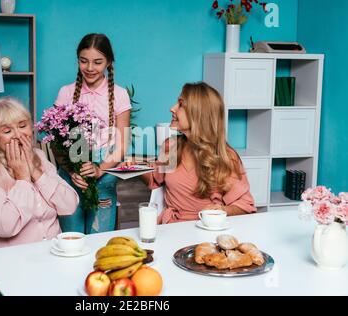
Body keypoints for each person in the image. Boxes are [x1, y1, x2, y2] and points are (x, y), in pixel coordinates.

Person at [0, 97, 79, 295]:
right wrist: (22, 178)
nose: (18, 136)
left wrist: (35, 171)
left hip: (50, 270)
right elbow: (4, 226)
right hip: (5, 276)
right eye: (7, 130)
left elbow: (69, 205)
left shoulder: (40, 158)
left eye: (22, 126)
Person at [129, 82, 256, 224]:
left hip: (206, 230)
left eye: (181, 105)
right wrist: (133, 166)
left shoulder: (226, 156)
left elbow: (246, 205)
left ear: (199, 114)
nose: (172, 108)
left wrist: (222, 210)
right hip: (171, 228)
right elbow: (155, 179)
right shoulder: (171, 146)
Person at [53, 33, 131, 234]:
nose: (89, 68)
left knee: (99, 239)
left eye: (97, 62)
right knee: (71, 238)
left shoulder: (120, 95)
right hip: (70, 178)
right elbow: (56, 140)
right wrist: (71, 171)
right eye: (83, 61)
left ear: (109, 62)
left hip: (104, 178)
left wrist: (99, 170)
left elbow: (122, 144)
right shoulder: (66, 93)